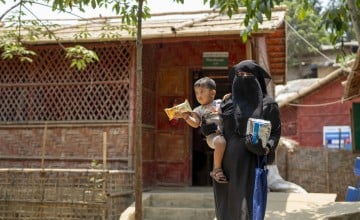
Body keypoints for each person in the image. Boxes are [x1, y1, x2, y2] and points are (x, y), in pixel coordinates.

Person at [200, 60, 281, 219]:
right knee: (226, 209)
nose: (243, 78)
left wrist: (267, 147)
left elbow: (275, 132)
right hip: (225, 166)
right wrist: (207, 123)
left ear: (257, 78)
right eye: (239, 75)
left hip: (251, 163)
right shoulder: (228, 103)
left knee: (247, 209)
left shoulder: (268, 104)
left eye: (247, 75)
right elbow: (215, 125)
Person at [175, 76, 228, 183]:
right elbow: (195, 123)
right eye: (197, 93)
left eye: (202, 92)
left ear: (213, 93)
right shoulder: (198, 110)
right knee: (220, 141)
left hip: (226, 133)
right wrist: (186, 117)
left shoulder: (220, 103)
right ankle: (217, 169)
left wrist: (229, 98)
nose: (199, 95)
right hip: (213, 137)